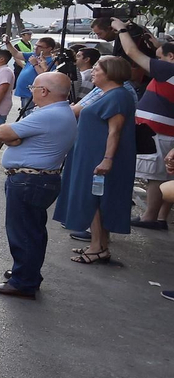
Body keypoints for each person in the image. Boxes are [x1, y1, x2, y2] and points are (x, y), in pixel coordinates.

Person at [0, 72, 77, 298]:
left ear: (44, 91)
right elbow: (12, 135)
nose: (31, 90)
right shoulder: (58, 112)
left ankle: (23, 281)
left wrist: (13, 138)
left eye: (33, 87)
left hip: (30, 180)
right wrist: (15, 138)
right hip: (39, 178)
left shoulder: (49, 115)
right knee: (33, 230)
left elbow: (3, 131)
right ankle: (27, 273)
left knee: (23, 232)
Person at [53, 56, 138, 264]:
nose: (93, 71)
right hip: (90, 153)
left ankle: (98, 247)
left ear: (110, 72)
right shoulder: (108, 93)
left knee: (96, 199)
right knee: (95, 198)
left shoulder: (118, 96)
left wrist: (107, 159)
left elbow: (115, 132)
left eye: (97, 69)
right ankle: (99, 245)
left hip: (99, 155)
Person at [113, 19, 174, 231]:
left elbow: (131, 51)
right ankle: (160, 218)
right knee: (166, 177)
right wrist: (145, 34)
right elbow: (162, 50)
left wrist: (121, 29)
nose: (155, 62)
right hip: (165, 132)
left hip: (157, 132)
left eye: (159, 58)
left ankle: (149, 217)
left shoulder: (168, 70)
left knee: (155, 177)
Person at [13, 37, 58, 115]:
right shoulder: (33, 55)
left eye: (40, 47)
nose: (36, 48)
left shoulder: (52, 60)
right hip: (24, 91)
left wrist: (35, 64)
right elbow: (16, 54)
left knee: (30, 115)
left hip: (33, 94)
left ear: (49, 48)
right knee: (25, 115)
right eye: (36, 45)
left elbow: (45, 76)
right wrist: (7, 43)